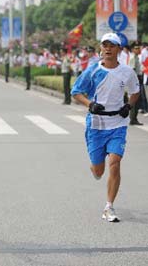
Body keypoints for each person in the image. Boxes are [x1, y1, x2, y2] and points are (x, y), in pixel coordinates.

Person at [71, 32, 139, 222]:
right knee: (99, 171)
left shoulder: (127, 72)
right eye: (105, 45)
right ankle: (95, 167)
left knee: (115, 163)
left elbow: (135, 91)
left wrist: (129, 106)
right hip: (96, 125)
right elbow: (76, 91)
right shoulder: (93, 70)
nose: (107, 48)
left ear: (119, 49)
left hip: (118, 123)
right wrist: (89, 104)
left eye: (112, 45)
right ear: (101, 48)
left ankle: (109, 207)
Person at [129, 44, 145, 125]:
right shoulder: (133, 58)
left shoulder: (137, 58)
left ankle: (134, 118)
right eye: (136, 48)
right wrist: (136, 80)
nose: (138, 49)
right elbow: (132, 70)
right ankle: (132, 118)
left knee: (137, 101)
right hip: (135, 80)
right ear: (132, 50)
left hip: (138, 79)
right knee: (135, 101)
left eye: (139, 48)